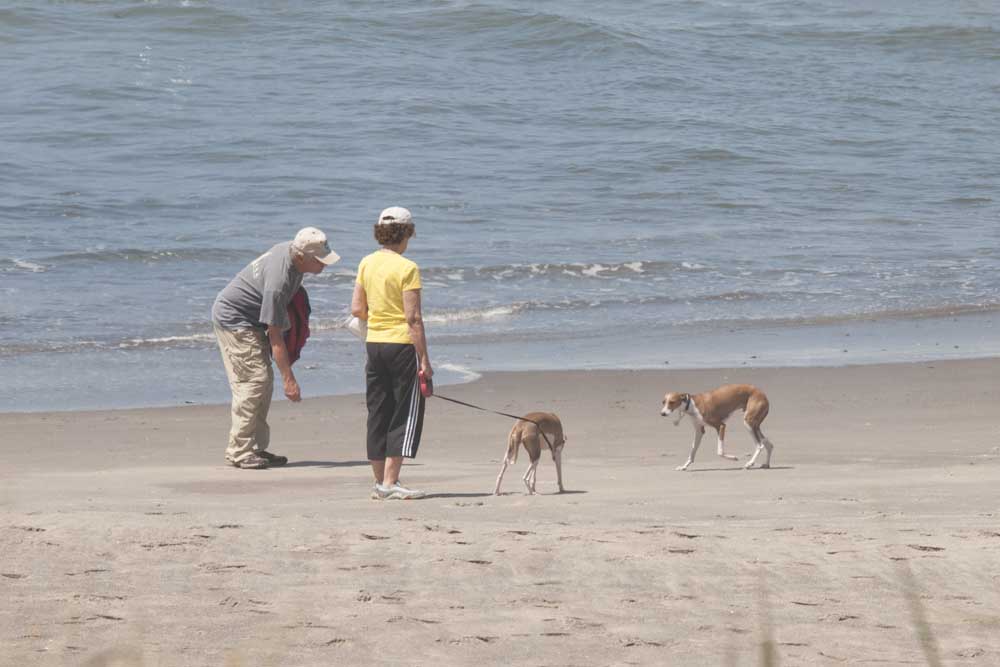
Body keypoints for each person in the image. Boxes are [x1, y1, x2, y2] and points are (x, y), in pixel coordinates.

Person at [211, 227, 339, 469]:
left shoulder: (292, 252)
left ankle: (255, 448)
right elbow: (275, 336)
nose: (325, 264)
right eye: (319, 260)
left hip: (252, 318)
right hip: (235, 319)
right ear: (301, 256)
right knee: (253, 382)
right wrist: (289, 380)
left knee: (264, 383)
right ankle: (239, 451)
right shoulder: (278, 282)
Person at [351, 206, 432, 499]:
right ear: (406, 232)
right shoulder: (407, 268)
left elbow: (357, 308)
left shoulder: (366, 262)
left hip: (374, 344)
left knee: (378, 410)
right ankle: (390, 482)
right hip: (401, 345)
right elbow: (413, 319)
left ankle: (380, 482)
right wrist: (424, 360)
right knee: (404, 412)